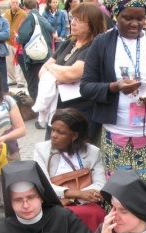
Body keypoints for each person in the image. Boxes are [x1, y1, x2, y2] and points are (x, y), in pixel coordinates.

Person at [80, 0, 146, 207]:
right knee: (118, 192)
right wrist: (115, 87)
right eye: (128, 18)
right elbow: (86, 86)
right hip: (115, 132)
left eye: (140, 18)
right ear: (115, 17)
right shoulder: (102, 44)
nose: (135, 24)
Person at [38, 1, 106, 143]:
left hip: (80, 113)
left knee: (76, 156)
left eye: (79, 20)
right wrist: (56, 72)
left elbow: (71, 74)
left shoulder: (94, 47)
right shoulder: (70, 42)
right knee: (53, 153)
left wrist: (53, 70)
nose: (73, 23)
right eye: (73, 18)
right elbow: (42, 71)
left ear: (91, 26)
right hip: (58, 110)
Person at [34, 108, 106, 231]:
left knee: (97, 214)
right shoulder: (41, 149)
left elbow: (100, 183)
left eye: (60, 132)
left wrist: (73, 198)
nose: (53, 136)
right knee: (59, 215)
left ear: (74, 135)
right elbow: (42, 184)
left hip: (84, 203)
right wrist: (74, 194)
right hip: (55, 202)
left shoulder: (93, 152)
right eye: (53, 130)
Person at [0, 62, 27, 208]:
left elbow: (21, 129)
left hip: (8, 151)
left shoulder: (7, 100)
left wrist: (3, 138)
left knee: (11, 196)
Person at [16, 0, 54, 101]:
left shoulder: (30, 17)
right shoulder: (42, 18)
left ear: (24, 7)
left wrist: (17, 38)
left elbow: (23, 37)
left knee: (33, 85)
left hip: (35, 57)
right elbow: (51, 30)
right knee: (45, 83)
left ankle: (38, 109)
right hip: (47, 55)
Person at [3, 0, 27, 88]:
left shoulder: (23, 14)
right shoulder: (6, 13)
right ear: (10, 4)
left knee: (19, 63)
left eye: (16, 3)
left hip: (18, 42)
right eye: (13, 2)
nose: (15, 4)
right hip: (8, 40)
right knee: (9, 62)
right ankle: (12, 79)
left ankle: (21, 80)